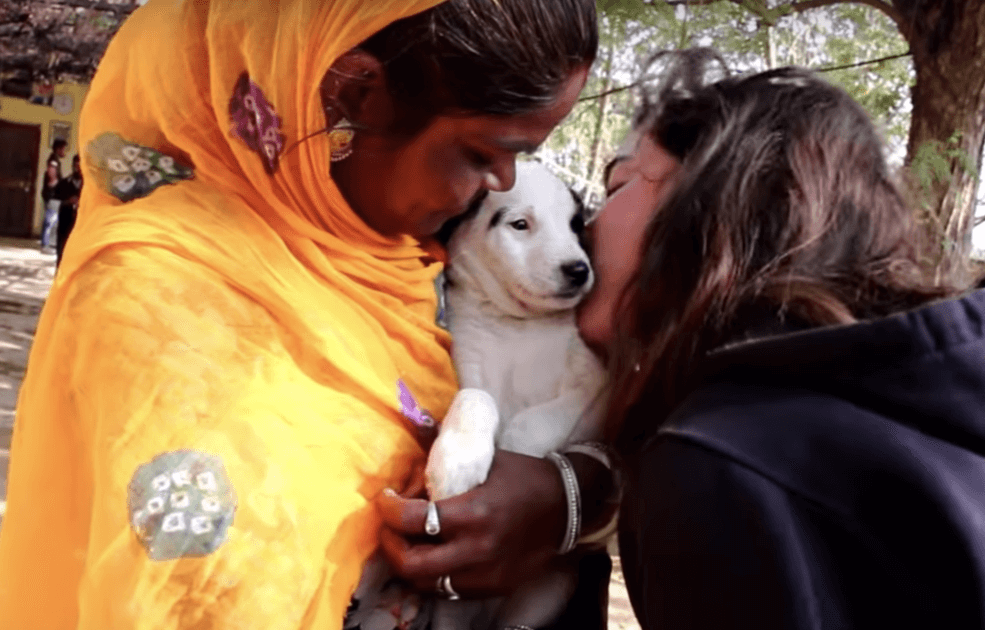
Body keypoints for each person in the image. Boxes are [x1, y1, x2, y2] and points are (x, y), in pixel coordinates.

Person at [0, 1, 606, 628]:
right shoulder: (158, 302)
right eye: (484, 154)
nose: (502, 183)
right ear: (357, 93)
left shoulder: (397, 264)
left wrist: (572, 493)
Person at [577, 50, 985, 628]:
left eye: (618, 184)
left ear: (702, 207)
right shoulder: (969, 389)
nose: (583, 227)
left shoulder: (723, 463)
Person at [54, 153, 83, 266]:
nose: (78, 167)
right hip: (65, 221)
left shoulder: (88, 185)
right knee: (62, 249)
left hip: (81, 222)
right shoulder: (64, 183)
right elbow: (55, 201)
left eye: (80, 164)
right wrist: (68, 201)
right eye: (76, 164)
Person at [40, 138, 67, 251]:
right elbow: (52, 175)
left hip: (52, 194)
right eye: (63, 149)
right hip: (52, 195)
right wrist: (58, 185)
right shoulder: (53, 160)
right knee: (50, 220)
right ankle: (45, 245)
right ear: (58, 149)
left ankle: (47, 244)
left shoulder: (54, 159)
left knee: (52, 219)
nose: (64, 152)